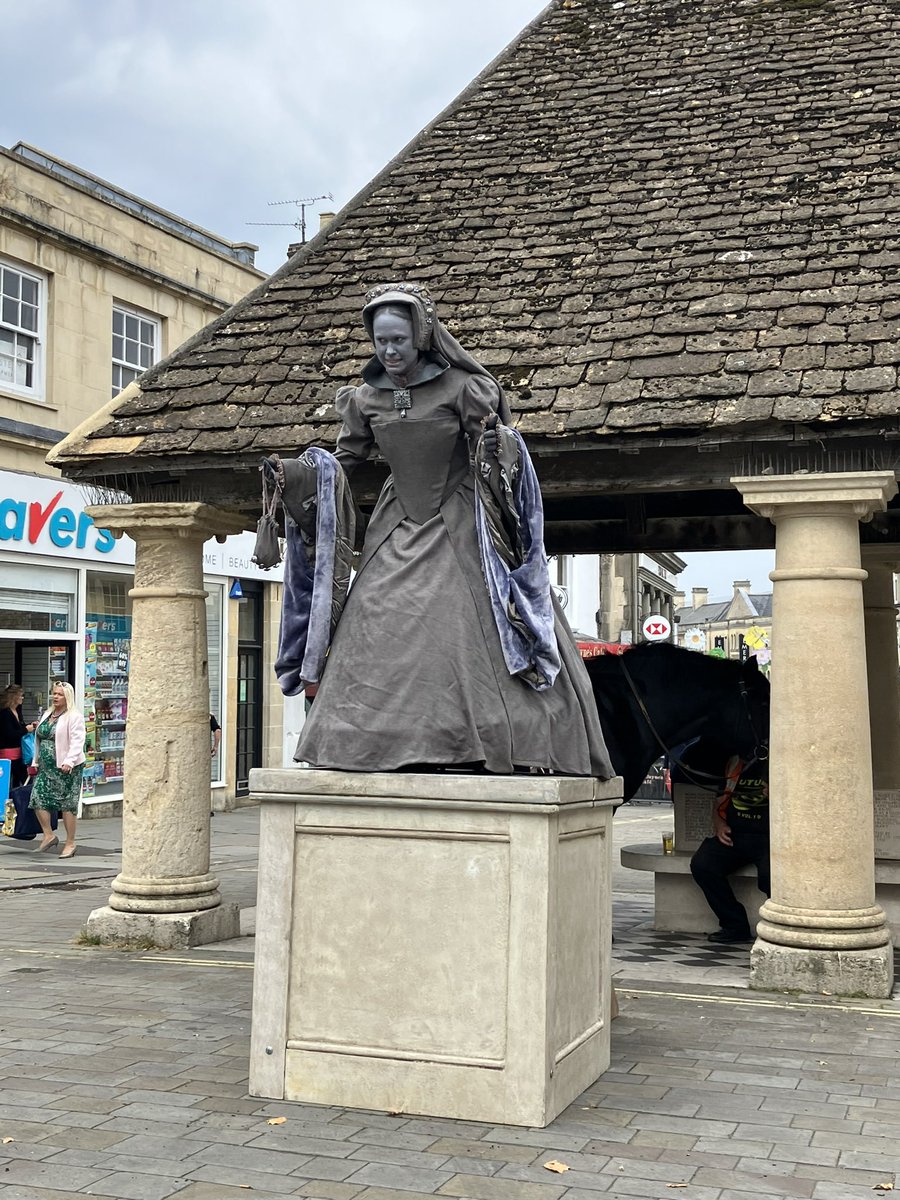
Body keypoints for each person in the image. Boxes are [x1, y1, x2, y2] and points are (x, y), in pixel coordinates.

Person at [284, 282, 613, 777]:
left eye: (398, 339)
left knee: (469, 625)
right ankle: (369, 743)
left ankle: (483, 741)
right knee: (376, 618)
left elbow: (496, 454)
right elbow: (346, 461)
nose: (389, 350)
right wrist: (297, 474)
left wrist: (499, 450)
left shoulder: (464, 387)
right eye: (380, 341)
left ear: (421, 335)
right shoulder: (364, 399)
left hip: (460, 520)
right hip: (395, 523)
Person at [690, 752, 770, 943]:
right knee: (703, 864)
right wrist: (719, 825)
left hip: (770, 838)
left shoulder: (781, 760)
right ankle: (734, 925)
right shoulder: (735, 763)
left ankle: (778, 928)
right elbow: (718, 803)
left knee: (771, 876)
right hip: (735, 836)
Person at [29, 681, 86, 858]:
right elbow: (39, 739)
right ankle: (49, 835)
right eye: (54, 693)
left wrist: (69, 761)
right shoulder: (48, 713)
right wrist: (35, 761)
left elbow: (77, 741)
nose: (55, 697)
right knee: (37, 798)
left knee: (67, 804)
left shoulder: (74, 716)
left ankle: (70, 843)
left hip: (66, 767)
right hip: (46, 767)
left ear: (67, 696)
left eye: (59, 694)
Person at [0, 683, 36, 790]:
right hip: (8, 754)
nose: (22, 698)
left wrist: (30, 726)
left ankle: (18, 802)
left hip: (19, 753)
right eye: (20, 695)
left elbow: (18, 728)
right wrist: (25, 730)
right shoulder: (5, 713)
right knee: (11, 782)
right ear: (14, 697)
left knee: (23, 780)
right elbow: (9, 734)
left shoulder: (17, 711)